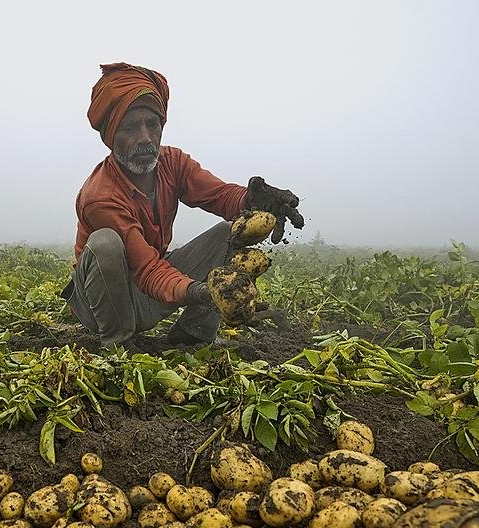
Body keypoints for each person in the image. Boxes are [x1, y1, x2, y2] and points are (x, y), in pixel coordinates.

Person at [63, 62, 303, 348]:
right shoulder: (100, 196)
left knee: (229, 233)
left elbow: (220, 196)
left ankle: (194, 334)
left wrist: (253, 201)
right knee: (105, 243)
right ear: (111, 135)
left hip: (148, 293)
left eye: (152, 124)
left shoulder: (172, 164)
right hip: (102, 304)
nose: (145, 138)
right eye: (131, 127)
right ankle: (117, 343)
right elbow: (146, 269)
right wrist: (200, 291)